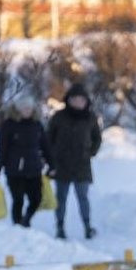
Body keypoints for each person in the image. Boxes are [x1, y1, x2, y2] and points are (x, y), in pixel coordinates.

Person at [47, 83, 102, 239]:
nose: (78, 102)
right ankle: (60, 227)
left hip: (82, 165)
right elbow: (48, 139)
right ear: (69, 100)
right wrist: (51, 159)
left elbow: (97, 138)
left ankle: (87, 226)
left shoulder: (91, 118)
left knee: (83, 197)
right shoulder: (58, 117)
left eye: (81, 99)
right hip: (61, 164)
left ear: (86, 101)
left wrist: (90, 152)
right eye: (75, 99)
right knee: (61, 198)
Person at [0, 94, 53, 228]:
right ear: (17, 109)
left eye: (29, 108)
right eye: (24, 108)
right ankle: (17, 225)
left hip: (34, 169)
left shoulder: (37, 125)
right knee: (18, 200)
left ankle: (26, 220)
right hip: (14, 171)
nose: (27, 110)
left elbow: (45, 146)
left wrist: (52, 164)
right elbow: (1, 149)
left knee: (36, 199)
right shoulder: (8, 125)